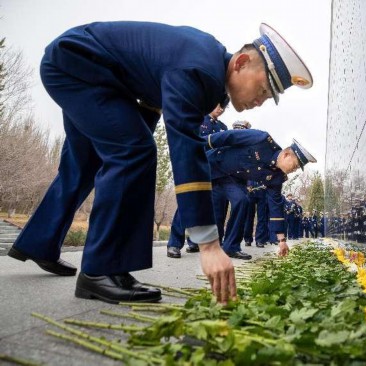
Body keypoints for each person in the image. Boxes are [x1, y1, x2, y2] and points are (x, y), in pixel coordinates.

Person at [8, 21, 313, 304]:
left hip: (84, 69)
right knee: (133, 152)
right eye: (261, 90)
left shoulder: (210, 70)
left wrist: (135, 143)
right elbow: (185, 147)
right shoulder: (201, 70)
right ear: (241, 63)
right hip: (78, 67)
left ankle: (38, 243)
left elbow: (151, 99)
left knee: (86, 163)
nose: (258, 102)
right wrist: (208, 244)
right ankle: (99, 270)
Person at [169, 129, 316, 260]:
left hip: (231, 180)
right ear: (286, 154)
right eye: (296, 165)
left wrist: (282, 241)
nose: (295, 170)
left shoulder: (277, 177)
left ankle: (231, 247)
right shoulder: (261, 140)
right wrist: (198, 146)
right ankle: (174, 243)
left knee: (243, 201)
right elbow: (229, 136)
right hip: (212, 164)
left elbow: (275, 206)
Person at [168, 104, 229, 258]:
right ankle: (174, 244)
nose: (220, 109)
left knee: (205, 207)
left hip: (214, 172)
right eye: (218, 105)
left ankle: (194, 242)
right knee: (186, 204)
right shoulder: (199, 119)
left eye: (224, 107)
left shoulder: (223, 127)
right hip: (195, 166)